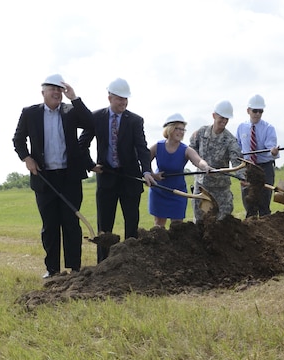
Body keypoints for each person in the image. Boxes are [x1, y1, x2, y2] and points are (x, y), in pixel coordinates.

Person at [13, 74, 94, 278]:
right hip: (44, 177)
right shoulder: (30, 113)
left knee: (71, 223)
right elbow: (18, 139)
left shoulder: (70, 111)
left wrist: (74, 98)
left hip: (69, 177)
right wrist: (27, 158)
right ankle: (52, 270)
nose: (57, 93)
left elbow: (91, 123)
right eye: (52, 89)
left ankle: (74, 268)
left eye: (60, 89)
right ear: (43, 93)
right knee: (50, 225)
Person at [78, 78, 156, 262]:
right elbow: (82, 144)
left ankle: (131, 262)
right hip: (107, 178)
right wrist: (90, 165)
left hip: (130, 177)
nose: (123, 102)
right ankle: (104, 264)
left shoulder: (135, 120)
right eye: (120, 98)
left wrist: (146, 171)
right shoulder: (96, 117)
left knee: (132, 222)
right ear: (110, 98)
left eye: (126, 99)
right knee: (104, 225)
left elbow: (141, 147)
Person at [149, 113, 211, 228]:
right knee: (158, 226)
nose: (181, 132)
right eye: (178, 128)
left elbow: (198, 161)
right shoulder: (158, 146)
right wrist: (153, 175)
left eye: (183, 129)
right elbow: (144, 161)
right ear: (169, 129)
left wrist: (206, 167)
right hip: (159, 191)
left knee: (177, 227)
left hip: (178, 193)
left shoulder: (185, 150)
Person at [189, 100, 245, 222]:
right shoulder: (201, 133)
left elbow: (237, 161)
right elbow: (191, 150)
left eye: (227, 119)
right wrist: (199, 163)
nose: (224, 121)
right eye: (222, 118)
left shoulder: (230, 140)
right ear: (214, 116)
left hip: (221, 190)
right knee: (199, 222)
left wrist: (242, 177)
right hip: (201, 188)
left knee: (222, 224)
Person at [236, 94, 279, 217]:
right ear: (248, 111)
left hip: (264, 168)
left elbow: (270, 146)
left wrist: (273, 151)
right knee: (249, 203)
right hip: (248, 168)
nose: (257, 114)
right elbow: (237, 146)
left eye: (260, 111)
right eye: (255, 111)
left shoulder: (269, 128)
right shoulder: (241, 127)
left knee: (264, 205)